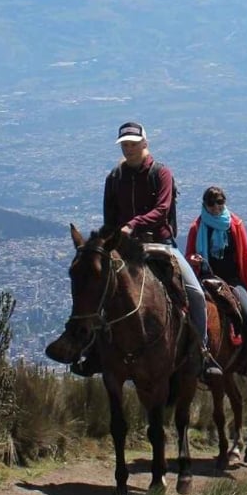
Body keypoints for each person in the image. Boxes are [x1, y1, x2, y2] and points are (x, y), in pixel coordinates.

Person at [74, 120, 221, 378]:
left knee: (195, 293)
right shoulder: (115, 178)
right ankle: (92, 351)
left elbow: (162, 210)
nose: (128, 149)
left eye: (132, 144)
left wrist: (133, 224)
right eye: (124, 145)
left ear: (145, 143)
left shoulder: (161, 173)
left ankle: (202, 352)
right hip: (124, 249)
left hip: (159, 244)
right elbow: (110, 217)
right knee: (95, 288)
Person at [185, 185, 247, 380]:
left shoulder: (235, 225)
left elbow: (246, 256)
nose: (216, 207)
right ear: (205, 205)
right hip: (206, 278)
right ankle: (195, 357)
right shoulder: (197, 228)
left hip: (232, 280)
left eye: (219, 203)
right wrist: (193, 260)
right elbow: (188, 254)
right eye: (211, 204)